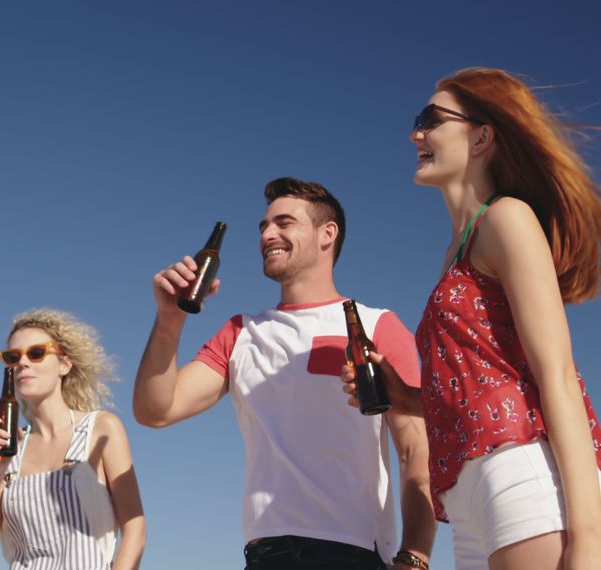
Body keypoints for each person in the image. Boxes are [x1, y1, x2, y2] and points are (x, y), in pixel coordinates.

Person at [343, 67, 601, 569]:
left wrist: (589, 541)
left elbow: (558, 377)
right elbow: (476, 385)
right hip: (469, 500)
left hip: (520, 473)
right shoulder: (454, 252)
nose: (415, 133)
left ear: (482, 136)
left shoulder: (507, 218)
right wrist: (404, 396)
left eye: (431, 119)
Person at [135, 177, 436, 569]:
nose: (267, 234)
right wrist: (169, 319)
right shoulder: (241, 332)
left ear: (327, 233)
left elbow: (415, 449)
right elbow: (156, 410)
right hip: (264, 556)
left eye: (283, 222)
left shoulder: (375, 326)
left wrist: (415, 556)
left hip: (351, 552)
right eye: (263, 226)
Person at [0, 308, 146, 569]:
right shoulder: (11, 448)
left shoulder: (101, 428)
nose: (23, 363)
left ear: (64, 364)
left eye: (37, 353)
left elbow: (135, 528)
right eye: (13, 357)